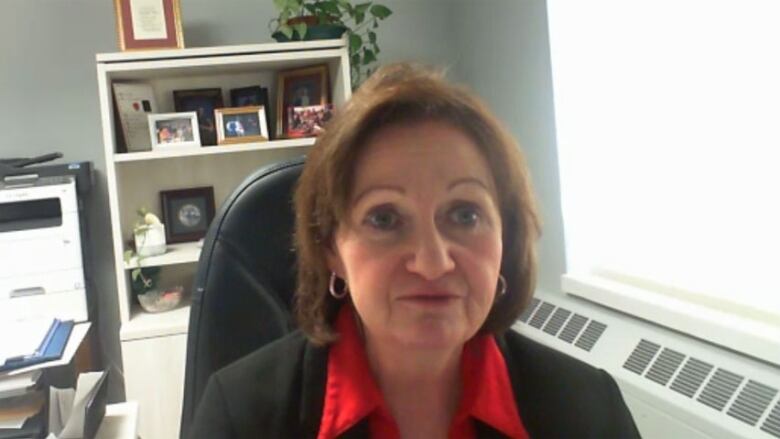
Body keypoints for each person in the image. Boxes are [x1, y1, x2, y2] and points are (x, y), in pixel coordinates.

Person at [189, 63, 640, 438]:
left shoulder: (589, 412)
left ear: (507, 235)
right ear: (331, 248)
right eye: (384, 219)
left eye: (464, 215)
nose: (432, 262)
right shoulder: (241, 417)